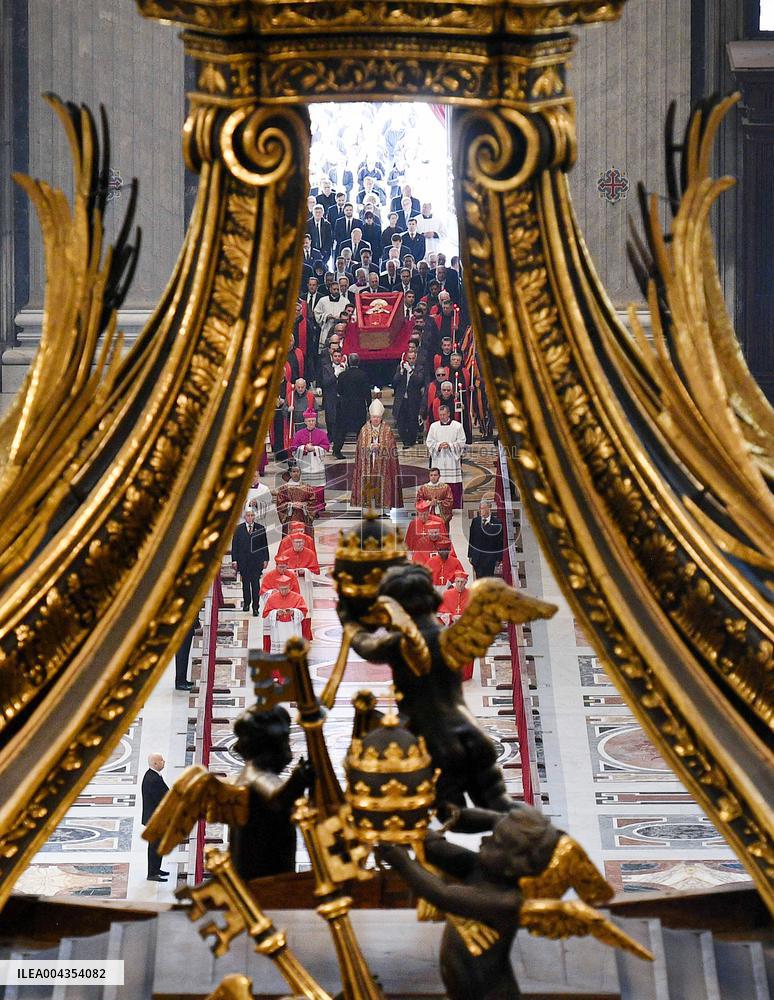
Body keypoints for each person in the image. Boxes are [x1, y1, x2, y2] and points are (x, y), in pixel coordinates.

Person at [350, 398, 403, 510]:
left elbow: (392, 450)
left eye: (378, 417)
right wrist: (369, 447)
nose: (376, 419)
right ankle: (367, 506)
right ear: (370, 417)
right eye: (374, 417)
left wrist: (381, 448)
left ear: (381, 417)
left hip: (383, 465)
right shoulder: (364, 430)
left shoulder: (387, 430)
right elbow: (360, 450)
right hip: (368, 463)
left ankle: (384, 505)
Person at [426, 404, 467, 509]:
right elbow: (429, 442)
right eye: (440, 415)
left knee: (453, 485)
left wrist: (450, 445)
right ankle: (437, 507)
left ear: (449, 414)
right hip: (439, 460)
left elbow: (462, 441)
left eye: (444, 414)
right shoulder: (434, 426)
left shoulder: (457, 426)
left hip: (452, 461)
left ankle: (455, 507)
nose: (442, 417)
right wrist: (439, 446)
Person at [332, 353, 371, 459]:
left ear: (348, 362)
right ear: (358, 362)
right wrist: (369, 404)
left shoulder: (342, 375)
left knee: (341, 430)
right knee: (360, 430)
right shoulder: (363, 375)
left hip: (344, 406)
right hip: (359, 407)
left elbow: (339, 390)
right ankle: (361, 452)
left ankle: (336, 450)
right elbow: (367, 392)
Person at [291, 409, 330, 514]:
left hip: (317, 464)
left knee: (318, 487)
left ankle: (319, 507)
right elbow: (294, 448)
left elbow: (326, 446)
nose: (311, 423)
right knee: (305, 486)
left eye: (313, 420)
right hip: (305, 464)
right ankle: (306, 506)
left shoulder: (322, 434)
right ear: (305, 421)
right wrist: (304, 448)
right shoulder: (299, 434)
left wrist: (314, 449)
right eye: (309, 421)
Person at [231, 508, 269, 615]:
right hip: (243, 562)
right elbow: (235, 546)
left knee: (256, 585)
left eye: (252, 515)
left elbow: (264, 545)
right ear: (245, 517)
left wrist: (266, 559)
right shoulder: (238, 529)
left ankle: (256, 607)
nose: (250, 517)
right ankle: (247, 603)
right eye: (248, 515)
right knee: (246, 584)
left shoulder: (260, 528)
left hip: (256, 562)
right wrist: (234, 560)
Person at [142, 754, 170, 882]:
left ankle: (156, 869)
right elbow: (162, 798)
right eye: (161, 760)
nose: (163, 761)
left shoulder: (153, 775)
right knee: (154, 846)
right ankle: (152, 873)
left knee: (158, 845)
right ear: (155, 764)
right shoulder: (152, 779)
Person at [262, 576, 309, 652]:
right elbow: (266, 614)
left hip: (292, 627)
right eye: (282, 589)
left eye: (286, 589)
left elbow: (303, 612)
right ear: (278, 587)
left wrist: (293, 612)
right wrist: (276, 613)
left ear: (289, 586)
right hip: (278, 628)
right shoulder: (272, 598)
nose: (284, 591)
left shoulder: (298, 598)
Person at [392, 344, 424, 448]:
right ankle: (405, 441)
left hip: (413, 400)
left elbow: (419, 381)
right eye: (409, 358)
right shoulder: (401, 368)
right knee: (401, 423)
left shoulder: (419, 369)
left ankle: (411, 441)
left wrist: (410, 370)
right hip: (402, 399)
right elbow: (394, 382)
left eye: (413, 358)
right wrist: (401, 372)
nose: (411, 360)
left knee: (412, 422)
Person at [468, 500, 504, 579]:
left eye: (483, 508)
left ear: (489, 508)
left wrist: (499, 558)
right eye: (480, 508)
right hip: (477, 557)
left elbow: (500, 542)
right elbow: (472, 539)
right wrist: (470, 555)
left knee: (488, 579)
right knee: (479, 579)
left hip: (490, 558)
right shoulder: (476, 521)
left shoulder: (497, 523)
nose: (481, 511)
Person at [277, 464, 317, 535]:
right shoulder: (283, 489)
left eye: (297, 471)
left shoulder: (308, 488)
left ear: (300, 473)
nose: (296, 473)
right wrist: (290, 505)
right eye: (293, 471)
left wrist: (304, 505)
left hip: (304, 517)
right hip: (290, 518)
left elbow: (313, 503)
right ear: (290, 473)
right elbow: (280, 505)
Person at [315, 280, 348, 355]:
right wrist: (326, 316)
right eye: (334, 289)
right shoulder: (323, 301)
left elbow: (349, 314)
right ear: (330, 289)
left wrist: (341, 318)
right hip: (327, 328)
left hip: (340, 330)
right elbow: (316, 312)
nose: (336, 291)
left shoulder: (345, 301)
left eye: (337, 289)